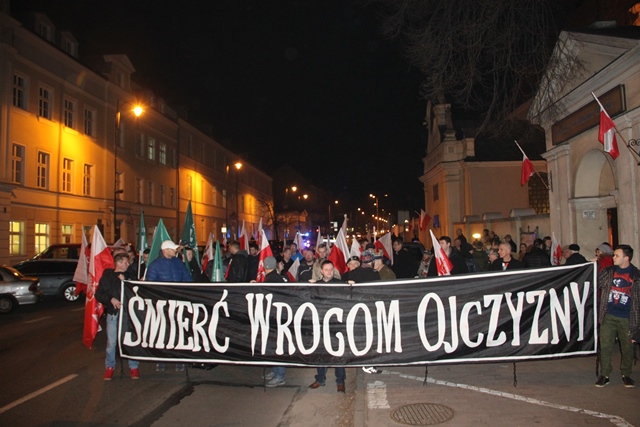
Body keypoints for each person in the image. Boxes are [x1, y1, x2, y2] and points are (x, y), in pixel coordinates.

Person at [595, 244, 639, 388]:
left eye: (617, 255)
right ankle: (605, 374)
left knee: (627, 347)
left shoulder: (636, 275)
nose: (614, 257)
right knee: (605, 346)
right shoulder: (609, 271)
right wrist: (592, 266)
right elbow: (595, 282)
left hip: (627, 317)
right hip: (608, 315)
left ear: (626, 258)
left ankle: (626, 374)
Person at [146, 240, 193, 372]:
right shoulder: (155, 265)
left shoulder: (178, 263)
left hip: (178, 303)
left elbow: (187, 278)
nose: (175, 250)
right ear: (165, 250)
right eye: (173, 249)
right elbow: (150, 286)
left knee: (179, 331)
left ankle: (179, 358)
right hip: (162, 305)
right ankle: (162, 359)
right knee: (163, 332)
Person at [95, 252, 140, 380]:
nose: (128, 264)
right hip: (113, 314)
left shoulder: (130, 275)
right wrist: (111, 299)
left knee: (130, 340)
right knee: (112, 342)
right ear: (119, 263)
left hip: (128, 314)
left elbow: (137, 289)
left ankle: (133, 367)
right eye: (126, 262)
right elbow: (99, 294)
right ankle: (110, 367)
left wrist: (125, 281)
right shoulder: (107, 276)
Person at [308, 260, 347, 392]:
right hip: (321, 324)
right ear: (321, 271)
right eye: (326, 269)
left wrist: (352, 286)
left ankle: (340, 381)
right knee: (321, 352)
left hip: (337, 324)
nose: (329, 272)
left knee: (338, 353)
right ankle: (320, 379)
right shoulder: (316, 285)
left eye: (331, 269)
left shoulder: (341, 285)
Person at [260, 256, 289, 387]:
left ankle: (280, 375)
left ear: (264, 266)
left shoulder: (270, 279)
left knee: (277, 345)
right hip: (278, 315)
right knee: (274, 344)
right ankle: (276, 370)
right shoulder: (277, 277)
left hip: (275, 316)